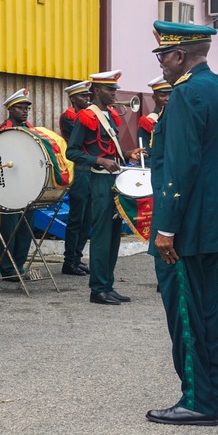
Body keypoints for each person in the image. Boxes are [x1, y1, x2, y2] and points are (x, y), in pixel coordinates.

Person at [146, 21, 218, 426]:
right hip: (212, 218)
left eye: (163, 55)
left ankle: (197, 400)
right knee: (207, 311)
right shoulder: (215, 88)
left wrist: (165, 228)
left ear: (180, 56)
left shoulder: (184, 94)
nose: (161, 63)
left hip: (186, 226)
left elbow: (179, 166)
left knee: (185, 312)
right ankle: (216, 396)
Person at [66, 70, 141, 305]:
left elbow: (110, 151)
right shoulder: (87, 116)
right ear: (97, 91)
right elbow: (72, 152)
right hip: (98, 181)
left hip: (114, 180)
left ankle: (107, 284)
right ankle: (97, 289)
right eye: (110, 90)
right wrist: (99, 161)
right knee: (101, 235)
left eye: (115, 89)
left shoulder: (109, 116)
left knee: (114, 235)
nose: (114, 94)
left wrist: (128, 154)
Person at [0, 89, 35, 281]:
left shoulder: (30, 129)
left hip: (28, 186)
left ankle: (19, 266)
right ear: (11, 109)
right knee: (9, 229)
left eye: (27, 108)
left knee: (26, 229)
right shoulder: (4, 130)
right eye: (20, 108)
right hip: (10, 187)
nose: (25, 111)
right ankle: (7, 268)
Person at [59, 81, 92, 276]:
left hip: (89, 170)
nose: (87, 99)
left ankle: (77, 258)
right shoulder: (69, 117)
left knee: (87, 218)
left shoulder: (88, 116)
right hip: (78, 169)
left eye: (88, 96)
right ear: (73, 99)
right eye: (82, 96)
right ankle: (69, 260)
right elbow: (85, 139)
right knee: (76, 217)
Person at [137, 76, 172, 154]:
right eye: (163, 95)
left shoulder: (178, 119)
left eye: (171, 94)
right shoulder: (147, 123)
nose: (168, 98)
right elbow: (146, 157)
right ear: (154, 97)